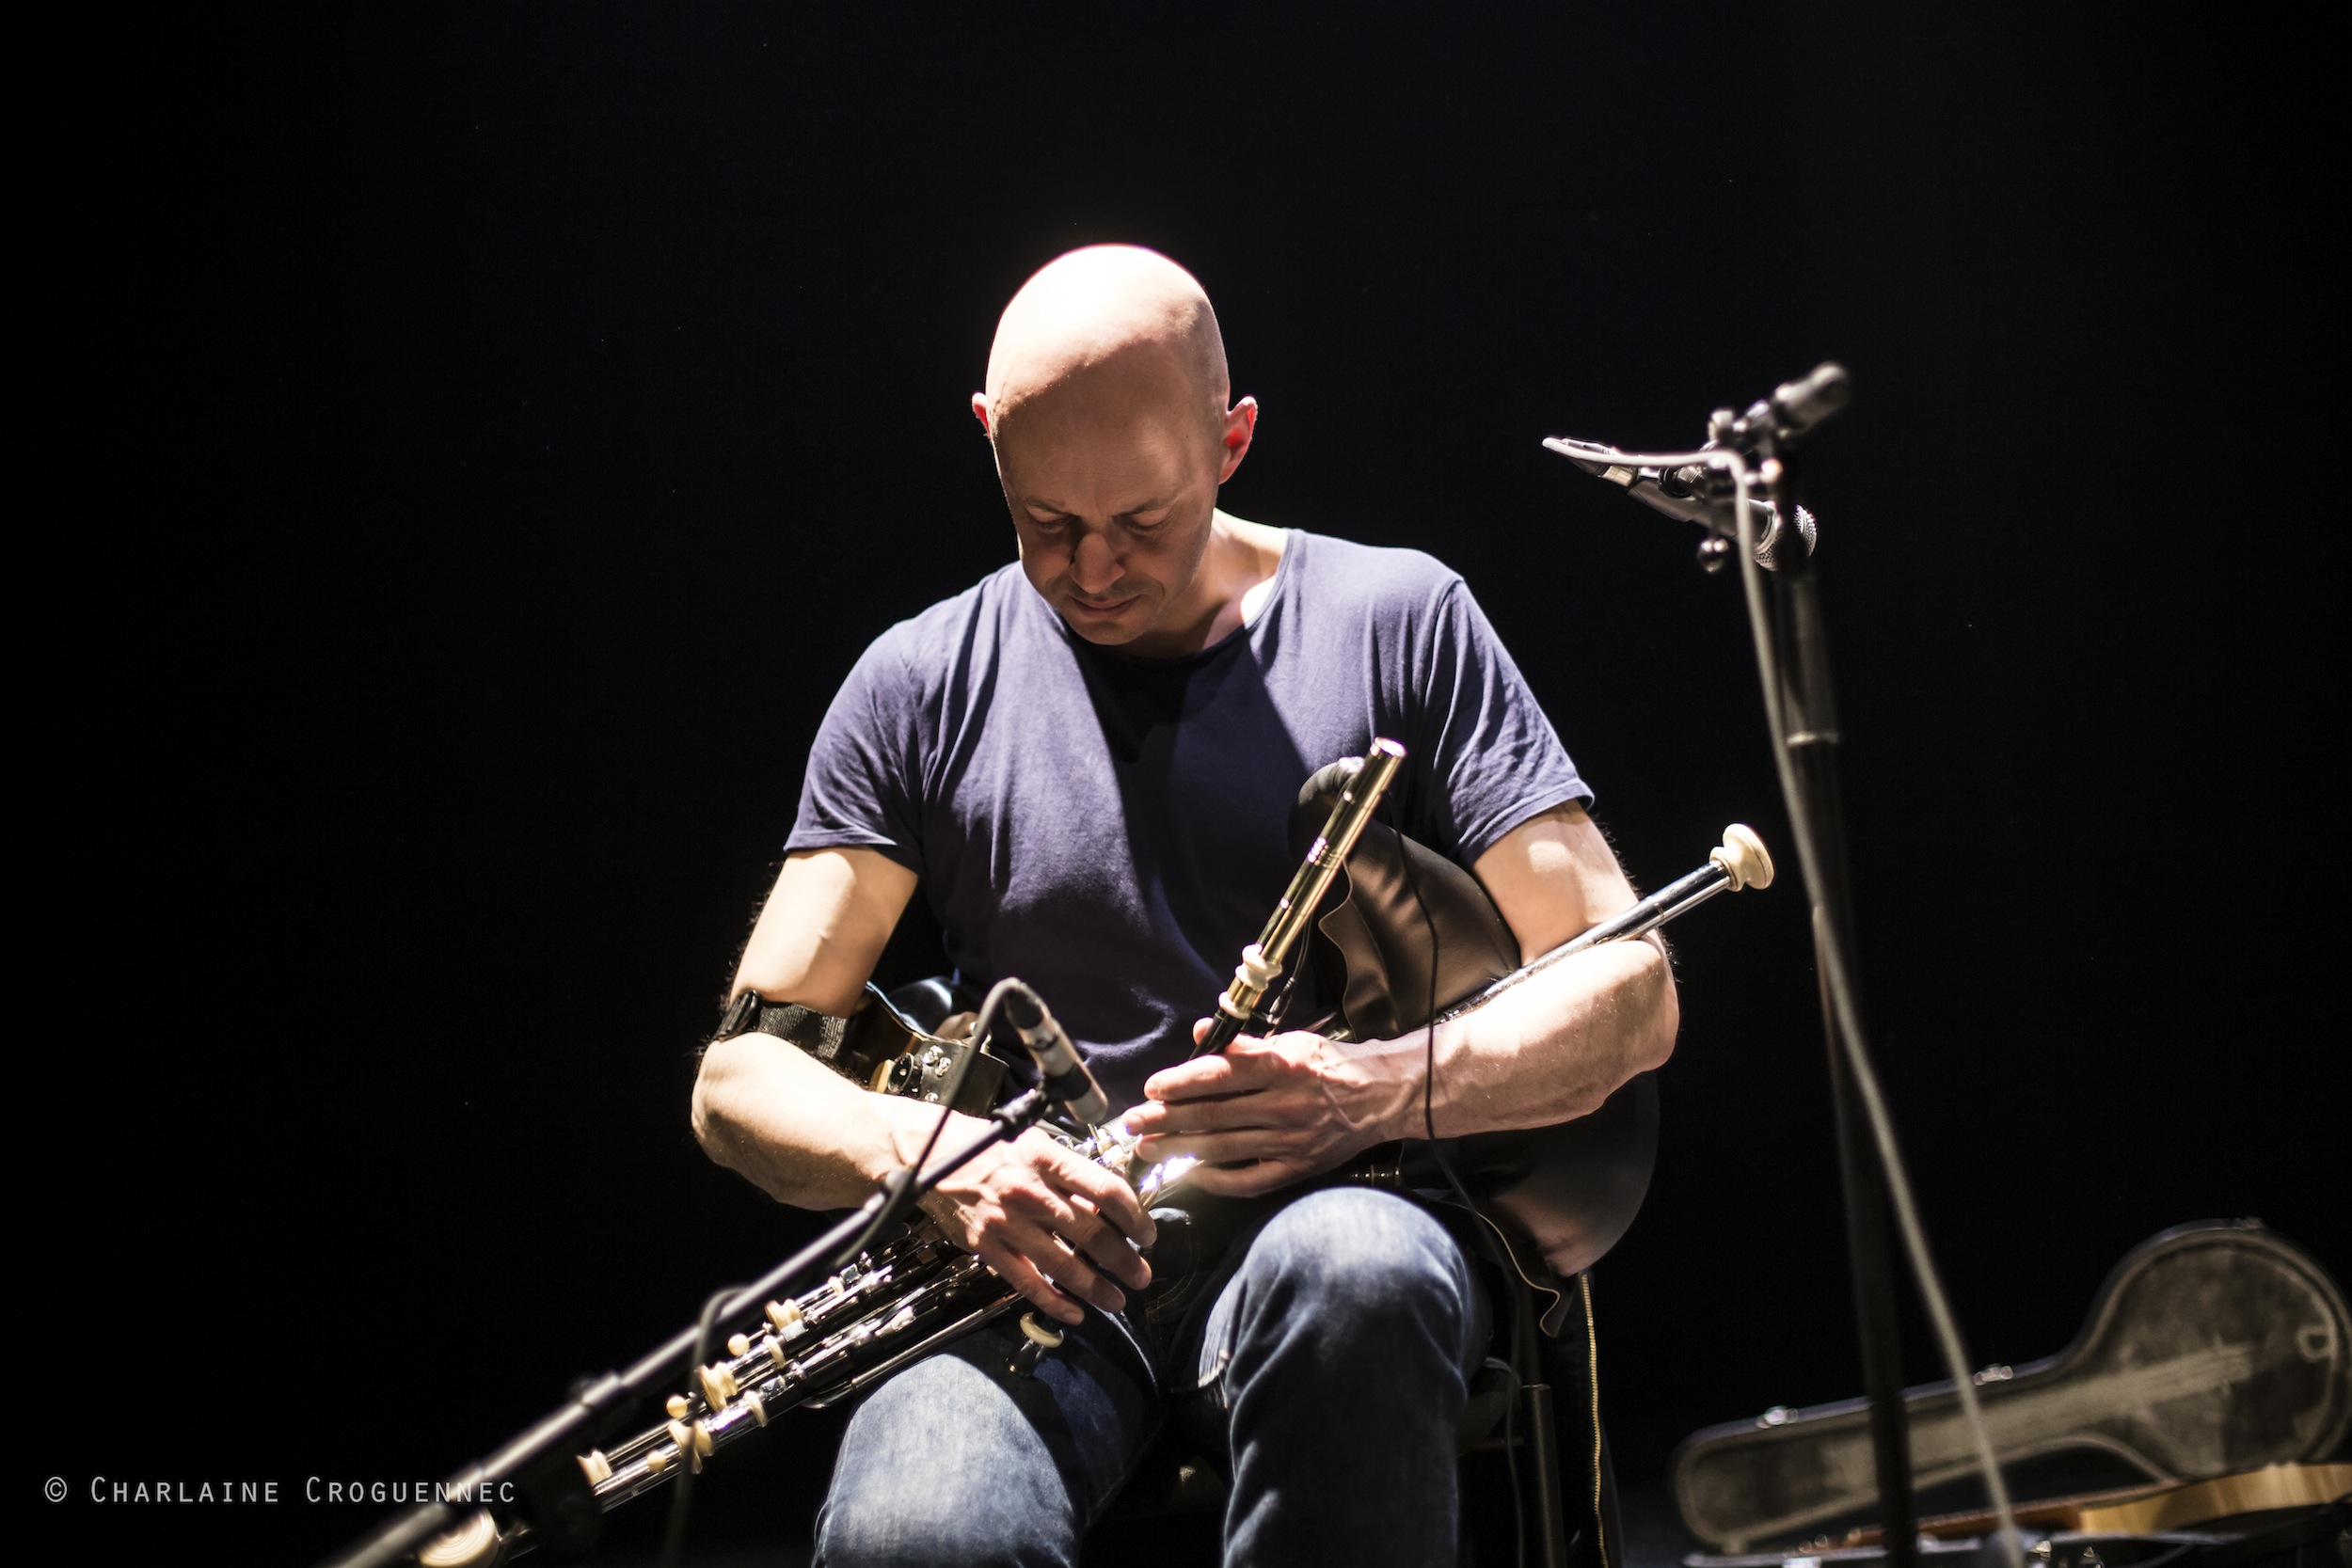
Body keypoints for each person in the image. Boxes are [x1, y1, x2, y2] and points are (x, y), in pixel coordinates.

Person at [691, 245, 1678, 1568]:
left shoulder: (1399, 617)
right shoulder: (915, 685)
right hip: (1042, 1272)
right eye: (1046, 521)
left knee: (1360, 1279)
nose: (1093, 568)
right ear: (990, 439)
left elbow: (1629, 993)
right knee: (912, 1532)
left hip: (1333, 1211)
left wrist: (1375, 1090)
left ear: (1233, 441)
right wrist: (937, 1159)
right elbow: (740, 1078)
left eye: (1143, 521)